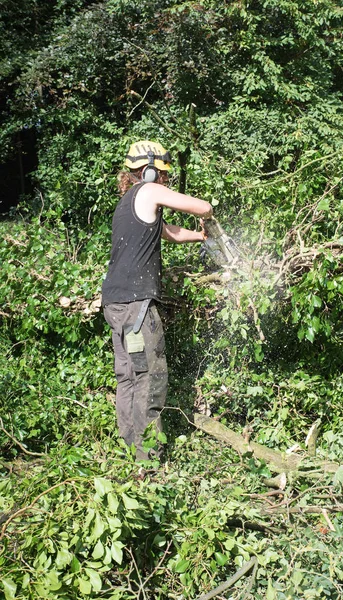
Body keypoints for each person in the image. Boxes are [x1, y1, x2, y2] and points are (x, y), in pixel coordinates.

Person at [102, 140, 212, 460]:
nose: (164, 179)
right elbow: (202, 207)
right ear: (149, 170)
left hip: (116, 304)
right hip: (138, 308)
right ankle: (147, 461)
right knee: (149, 377)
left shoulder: (128, 202)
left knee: (129, 377)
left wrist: (201, 236)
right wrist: (208, 215)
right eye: (162, 173)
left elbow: (167, 231)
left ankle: (130, 449)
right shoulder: (148, 191)